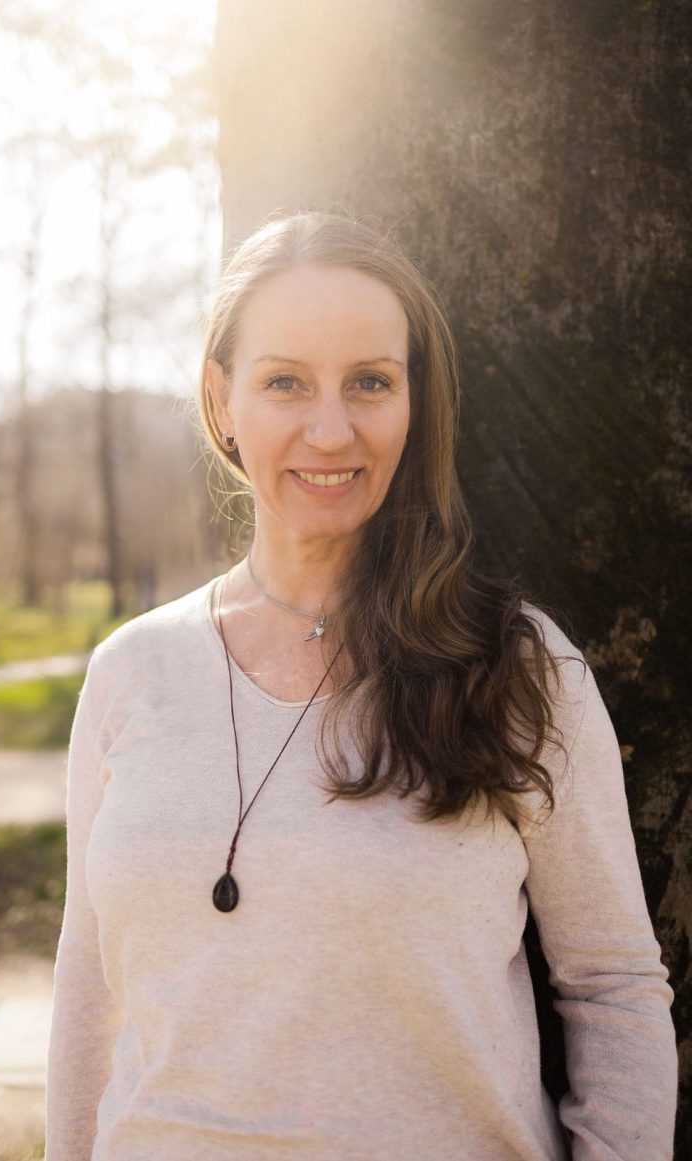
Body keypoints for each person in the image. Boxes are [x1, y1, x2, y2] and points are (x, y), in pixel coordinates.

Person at [45, 211, 678, 1160]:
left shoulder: (520, 670)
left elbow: (614, 987)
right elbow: (90, 990)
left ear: (415, 402)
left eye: (371, 382)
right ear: (222, 399)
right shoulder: (129, 671)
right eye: (285, 381)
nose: (330, 427)